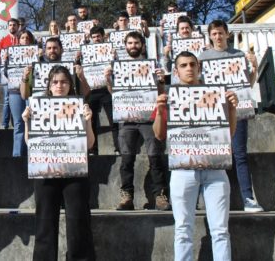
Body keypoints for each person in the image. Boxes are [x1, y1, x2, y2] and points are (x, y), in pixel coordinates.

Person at [152, 51, 238, 261]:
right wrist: (161, 110)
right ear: (176, 71)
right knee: (182, 229)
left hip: (215, 169)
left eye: (192, 64)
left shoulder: (216, 95)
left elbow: (230, 133)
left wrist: (232, 109)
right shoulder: (170, 97)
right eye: (183, 65)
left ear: (199, 68)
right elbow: (159, 134)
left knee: (220, 230)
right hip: (183, 170)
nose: (189, 68)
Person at [21, 65, 96, 261]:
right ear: (49, 86)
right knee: (45, 222)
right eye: (55, 82)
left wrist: (88, 121)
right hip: (46, 172)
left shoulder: (80, 107)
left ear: (71, 85)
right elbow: (31, 143)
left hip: (75, 172)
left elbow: (89, 144)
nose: (59, 85)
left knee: (78, 221)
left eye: (64, 81)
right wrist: (27, 122)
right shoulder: (38, 106)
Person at [201, 19, 262, 212]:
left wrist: (254, 68)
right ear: (210, 36)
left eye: (220, 33)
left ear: (227, 34)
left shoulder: (238, 55)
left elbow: (247, 85)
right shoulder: (203, 57)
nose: (218, 37)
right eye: (214, 34)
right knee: (214, 157)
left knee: (240, 154)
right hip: (213, 114)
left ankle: (248, 198)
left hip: (238, 111)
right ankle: (210, 200)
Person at [105, 31, 169, 211]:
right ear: (125, 46)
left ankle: (160, 196)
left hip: (149, 118)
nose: (133, 46)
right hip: (127, 120)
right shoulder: (118, 67)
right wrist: (108, 79)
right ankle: (127, 197)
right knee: (126, 159)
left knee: (155, 157)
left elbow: (159, 92)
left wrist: (161, 81)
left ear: (142, 45)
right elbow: (113, 93)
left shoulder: (152, 65)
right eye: (130, 43)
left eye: (136, 43)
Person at [2, 30, 38, 157]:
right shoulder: (10, 54)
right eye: (23, 38)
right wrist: (6, 61)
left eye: (28, 38)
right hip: (15, 92)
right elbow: (6, 74)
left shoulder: (36, 53)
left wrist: (39, 59)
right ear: (18, 40)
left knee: (32, 122)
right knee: (18, 124)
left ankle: (32, 153)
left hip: (31, 91)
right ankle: (17, 155)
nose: (25, 40)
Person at [84, 26, 119, 155]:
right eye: (93, 37)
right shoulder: (86, 51)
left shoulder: (111, 51)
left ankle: (118, 148)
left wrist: (115, 58)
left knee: (113, 119)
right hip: (92, 90)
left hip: (106, 89)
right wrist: (78, 58)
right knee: (91, 121)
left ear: (103, 36)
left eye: (98, 36)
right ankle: (93, 149)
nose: (96, 39)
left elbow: (119, 69)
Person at [0, 18, 20, 130]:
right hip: (6, 72)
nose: (12, 27)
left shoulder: (21, 39)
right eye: (10, 25)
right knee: (7, 98)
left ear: (18, 27)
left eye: (14, 25)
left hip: (18, 72)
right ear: (8, 27)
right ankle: (4, 123)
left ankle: (16, 121)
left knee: (18, 97)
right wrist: (0, 57)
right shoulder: (3, 40)